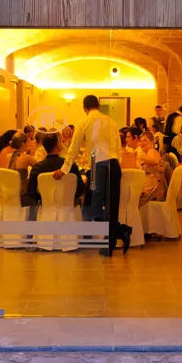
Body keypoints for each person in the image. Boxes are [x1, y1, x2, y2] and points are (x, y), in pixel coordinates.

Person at [54, 95, 128, 255]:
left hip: (99, 166)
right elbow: (119, 148)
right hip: (114, 165)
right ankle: (112, 241)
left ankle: (117, 233)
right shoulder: (112, 122)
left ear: (84, 108)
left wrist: (64, 169)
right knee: (111, 205)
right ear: (99, 105)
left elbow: (73, 149)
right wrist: (116, 165)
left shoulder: (84, 122)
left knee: (95, 206)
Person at [27, 133, 83, 220]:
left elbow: (32, 193)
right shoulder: (69, 166)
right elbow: (80, 190)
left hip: (47, 211)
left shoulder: (36, 168)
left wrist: (46, 197)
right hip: (68, 212)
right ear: (58, 144)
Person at [136, 130, 167, 206]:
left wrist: (141, 157)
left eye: (144, 141)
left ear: (151, 142)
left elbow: (155, 161)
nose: (141, 143)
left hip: (155, 189)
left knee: (132, 196)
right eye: (140, 141)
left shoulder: (152, 151)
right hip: (152, 186)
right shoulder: (147, 153)